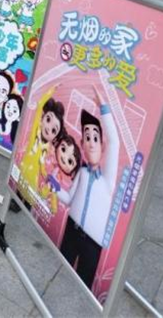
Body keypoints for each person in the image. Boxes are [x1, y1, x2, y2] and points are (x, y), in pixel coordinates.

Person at [55, 88, 119, 290]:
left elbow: (115, 142)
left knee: (83, 288)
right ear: (81, 144)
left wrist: (104, 107)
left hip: (92, 243)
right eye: (87, 138)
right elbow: (69, 199)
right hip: (71, 231)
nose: (91, 143)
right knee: (60, 271)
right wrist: (53, 186)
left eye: (95, 138)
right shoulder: (81, 173)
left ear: (102, 146)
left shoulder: (107, 180)